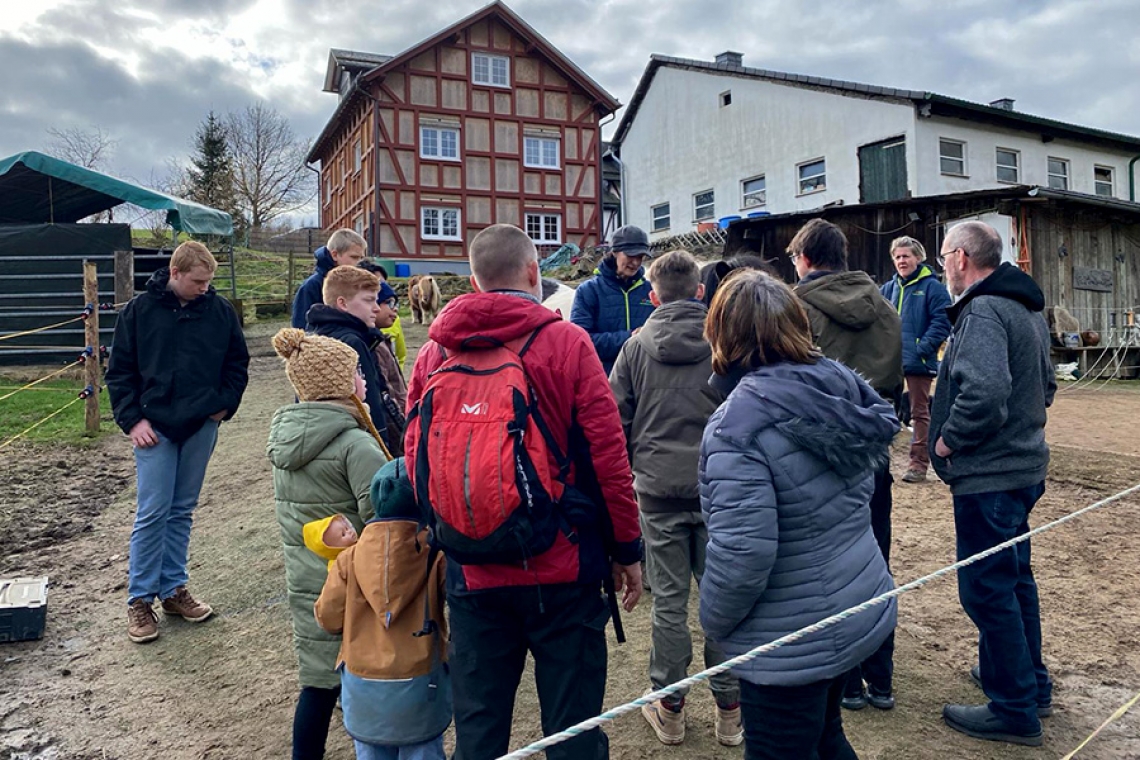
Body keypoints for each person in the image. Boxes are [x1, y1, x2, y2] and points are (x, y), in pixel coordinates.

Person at [406, 223, 643, 760]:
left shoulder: (434, 354)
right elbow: (608, 458)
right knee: (573, 729)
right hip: (563, 562)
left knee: (480, 729)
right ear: (534, 272)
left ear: (473, 280)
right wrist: (627, 549)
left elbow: (416, 454)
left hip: (471, 567)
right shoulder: (566, 342)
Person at [699, 270, 899, 760]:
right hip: (849, 605)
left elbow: (743, 555)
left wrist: (714, 622)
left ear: (723, 333)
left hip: (790, 637)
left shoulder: (735, 428)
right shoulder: (837, 385)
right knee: (826, 737)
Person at [608, 250, 741, 747]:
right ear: (701, 290)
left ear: (652, 295)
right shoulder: (724, 340)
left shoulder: (635, 348)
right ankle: (730, 706)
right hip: (719, 489)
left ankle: (670, 704)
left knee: (669, 604)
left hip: (659, 491)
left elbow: (613, 422)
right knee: (724, 600)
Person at [931, 221, 1055, 748]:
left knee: (986, 589)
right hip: (1021, 470)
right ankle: (1029, 683)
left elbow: (984, 393)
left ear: (961, 257)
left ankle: (1012, 708)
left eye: (943, 256)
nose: (942, 266)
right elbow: (1046, 386)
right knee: (1014, 580)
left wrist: (946, 443)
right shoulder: (1024, 307)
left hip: (992, 478)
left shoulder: (984, 308)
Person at [106, 240, 249, 644]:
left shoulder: (220, 313)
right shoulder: (137, 313)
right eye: (198, 281)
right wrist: (132, 420)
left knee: (182, 509)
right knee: (153, 511)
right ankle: (139, 600)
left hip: (201, 425)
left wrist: (223, 405)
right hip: (153, 428)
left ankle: (173, 590)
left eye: (209, 281)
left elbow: (237, 363)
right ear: (175, 273)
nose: (205, 287)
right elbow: (120, 372)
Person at [789, 219, 902, 711]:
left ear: (806, 259)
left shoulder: (795, 308)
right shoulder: (884, 304)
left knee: (827, 565)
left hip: (820, 455)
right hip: (874, 449)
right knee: (875, 558)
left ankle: (847, 678)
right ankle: (880, 676)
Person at [267, 328, 390, 760]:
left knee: (318, 684)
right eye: (356, 370)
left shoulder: (286, 443)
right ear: (340, 383)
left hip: (310, 586)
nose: (362, 377)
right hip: (358, 586)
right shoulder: (355, 446)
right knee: (369, 682)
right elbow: (384, 521)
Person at [313, 458, 451, 760]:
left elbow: (327, 618)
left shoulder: (348, 559)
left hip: (363, 688)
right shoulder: (435, 555)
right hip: (420, 683)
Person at [879, 236, 951, 484]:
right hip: (889, 362)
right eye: (897, 257)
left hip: (918, 362)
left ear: (918, 258)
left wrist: (923, 347)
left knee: (919, 413)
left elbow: (943, 321)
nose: (901, 261)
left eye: (906, 256)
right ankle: (880, 462)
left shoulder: (933, 288)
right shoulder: (887, 289)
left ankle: (918, 464)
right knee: (883, 409)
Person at [306, 266, 394, 451]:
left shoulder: (313, 338)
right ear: (343, 303)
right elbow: (367, 401)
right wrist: (381, 444)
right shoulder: (352, 343)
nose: (377, 308)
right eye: (369, 300)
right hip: (360, 444)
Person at [570, 225, 655, 375]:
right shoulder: (588, 291)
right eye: (630, 255)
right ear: (614, 252)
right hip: (604, 381)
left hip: (644, 380)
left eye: (640, 257)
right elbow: (580, 341)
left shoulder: (651, 291)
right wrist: (629, 338)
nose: (635, 262)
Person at [291, 228, 367, 329]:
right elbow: (300, 327)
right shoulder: (312, 286)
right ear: (335, 255)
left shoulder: (356, 283)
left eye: (361, 258)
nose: (358, 263)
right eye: (354, 257)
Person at [360, 261, 408, 371]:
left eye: (382, 282)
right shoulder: (354, 339)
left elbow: (400, 356)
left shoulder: (393, 319)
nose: (380, 287)